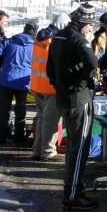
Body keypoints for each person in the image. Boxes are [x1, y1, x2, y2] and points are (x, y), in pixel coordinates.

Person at [47, 3, 99, 209]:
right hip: (78, 98)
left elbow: (50, 66)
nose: (91, 29)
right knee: (79, 147)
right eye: (91, 25)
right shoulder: (78, 39)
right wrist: (83, 79)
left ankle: (74, 189)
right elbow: (92, 63)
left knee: (72, 146)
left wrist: (60, 83)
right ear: (85, 23)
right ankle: (72, 194)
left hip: (63, 96)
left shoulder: (58, 36)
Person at [30, 13, 70, 161]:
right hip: (50, 87)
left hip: (36, 84)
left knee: (41, 118)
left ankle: (37, 150)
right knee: (50, 121)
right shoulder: (55, 41)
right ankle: (48, 151)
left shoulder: (39, 38)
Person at [0, 22, 37, 145]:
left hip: (6, 79)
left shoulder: (11, 41)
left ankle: (0, 137)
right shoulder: (35, 46)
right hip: (23, 81)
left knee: (4, 109)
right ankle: (19, 137)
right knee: (21, 109)